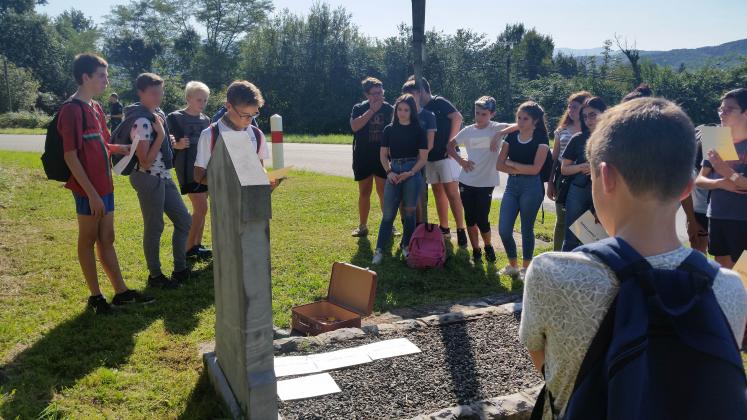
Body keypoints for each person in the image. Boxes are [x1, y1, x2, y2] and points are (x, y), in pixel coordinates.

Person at [520, 97, 747, 419]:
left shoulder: (552, 272)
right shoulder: (730, 288)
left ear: (606, 177)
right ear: (685, 187)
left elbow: (548, 368)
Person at [59, 53, 152, 314]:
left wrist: (118, 147)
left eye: (106, 75)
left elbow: (100, 143)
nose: (106, 81)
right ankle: (96, 298)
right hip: (87, 190)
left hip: (105, 186)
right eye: (102, 76)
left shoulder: (97, 108)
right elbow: (70, 156)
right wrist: (91, 195)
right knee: (88, 239)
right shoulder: (71, 110)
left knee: (107, 238)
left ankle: (121, 292)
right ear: (85, 77)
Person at [126, 73, 192, 289]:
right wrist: (162, 137)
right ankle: (155, 276)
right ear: (141, 93)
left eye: (160, 92)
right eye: (153, 93)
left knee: (184, 221)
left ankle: (180, 270)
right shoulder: (142, 120)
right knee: (155, 227)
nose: (158, 97)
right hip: (147, 177)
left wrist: (168, 142)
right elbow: (144, 161)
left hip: (163, 175)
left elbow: (159, 148)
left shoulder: (158, 114)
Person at [447, 96, 515, 263]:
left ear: (492, 114)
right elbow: (449, 145)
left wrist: (499, 133)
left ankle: (488, 246)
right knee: (470, 218)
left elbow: (519, 125)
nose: (479, 117)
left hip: (486, 183)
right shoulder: (469, 130)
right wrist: (461, 160)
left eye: (484, 114)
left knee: (482, 219)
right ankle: (476, 250)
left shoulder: (495, 128)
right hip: (466, 181)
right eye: (477, 113)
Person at [372, 94, 429, 264]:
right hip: (393, 172)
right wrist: (389, 172)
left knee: (410, 212)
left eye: (406, 110)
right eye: (400, 109)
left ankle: (406, 246)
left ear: (412, 111)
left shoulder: (419, 130)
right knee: (388, 214)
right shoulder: (389, 129)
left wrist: (410, 173)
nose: (402, 113)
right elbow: (383, 155)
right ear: (396, 110)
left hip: (412, 173)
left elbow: (423, 158)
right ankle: (380, 250)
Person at [496, 101, 550, 278]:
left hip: (532, 186)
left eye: (525, 118)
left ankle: (526, 268)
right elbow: (499, 164)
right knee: (504, 229)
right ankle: (513, 265)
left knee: (527, 229)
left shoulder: (541, 138)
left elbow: (535, 169)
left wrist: (512, 164)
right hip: (512, 186)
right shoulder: (511, 137)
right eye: (518, 117)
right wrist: (517, 167)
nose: (520, 121)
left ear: (535, 121)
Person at [695, 88, 747, 269]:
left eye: (729, 109)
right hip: (717, 215)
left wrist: (727, 173)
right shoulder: (718, 139)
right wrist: (721, 183)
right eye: (721, 109)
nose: (722, 114)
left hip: (743, 219)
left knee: (743, 274)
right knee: (721, 273)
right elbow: (700, 180)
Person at [414, 76, 468, 247]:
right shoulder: (419, 109)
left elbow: (458, 117)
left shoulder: (439, 102)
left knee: (452, 193)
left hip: (447, 156)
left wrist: (451, 143)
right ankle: (444, 228)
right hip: (430, 158)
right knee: (438, 193)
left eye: (415, 92)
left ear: (422, 90)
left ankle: (461, 230)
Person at [166, 81, 212, 261]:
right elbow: (163, 144)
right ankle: (187, 249)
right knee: (201, 207)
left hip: (204, 169)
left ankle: (196, 246)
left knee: (202, 210)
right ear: (188, 98)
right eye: (199, 99)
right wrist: (176, 145)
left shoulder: (206, 120)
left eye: (205, 100)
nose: (202, 103)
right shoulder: (174, 117)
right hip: (186, 169)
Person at [194, 80, 269, 185]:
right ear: (228, 106)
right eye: (245, 114)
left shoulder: (257, 134)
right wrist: (229, 183)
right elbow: (199, 176)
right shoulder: (210, 134)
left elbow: (260, 168)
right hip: (223, 200)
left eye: (254, 114)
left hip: (253, 199)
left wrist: (266, 179)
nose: (250, 120)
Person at [560, 96, 607, 251]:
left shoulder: (614, 138)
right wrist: (581, 167)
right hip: (578, 191)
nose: (588, 120)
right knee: (571, 239)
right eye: (585, 116)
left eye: (592, 114)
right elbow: (564, 169)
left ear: (604, 112)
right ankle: (565, 273)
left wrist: (596, 167)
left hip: (604, 193)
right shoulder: (578, 138)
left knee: (598, 240)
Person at [350, 77, 394, 238]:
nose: (378, 96)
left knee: (384, 193)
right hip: (363, 156)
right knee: (364, 192)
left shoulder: (390, 109)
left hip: (383, 157)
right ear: (366, 94)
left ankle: (389, 225)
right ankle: (362, 226)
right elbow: (355, 126)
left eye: (380, 92)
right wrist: (372, 111)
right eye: (374, 93)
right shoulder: (359, 108)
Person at [548, 91, 591, 251]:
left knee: (584, 222)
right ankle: (557, 254)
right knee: (562, 220)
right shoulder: (562, 130)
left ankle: (580, 254)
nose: (571, 110)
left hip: (586, 180)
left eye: (575, 107)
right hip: (563, 178)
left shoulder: (592, 131)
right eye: (569, 107)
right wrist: (551, 182)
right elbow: (555, 159)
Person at [401, 78, 436, 224]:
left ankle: (420, 230)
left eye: (413, 94)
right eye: (407, 95)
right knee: (403, 199)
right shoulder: (400, 113)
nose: (410, 98)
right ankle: (406, 231)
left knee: (419, 197)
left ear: (419, 94)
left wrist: (417, 161)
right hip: (401, 163)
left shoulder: (428, 116)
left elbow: (430, 143)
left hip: (419, 164)